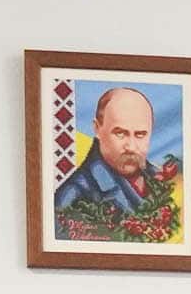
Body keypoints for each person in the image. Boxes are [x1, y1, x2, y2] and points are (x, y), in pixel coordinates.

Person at [51, 85, 168, 220]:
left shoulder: (165, 182)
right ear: (97, 129)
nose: (131, 147)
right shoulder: (73, 198)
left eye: (140, 134)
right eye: (120, 133)